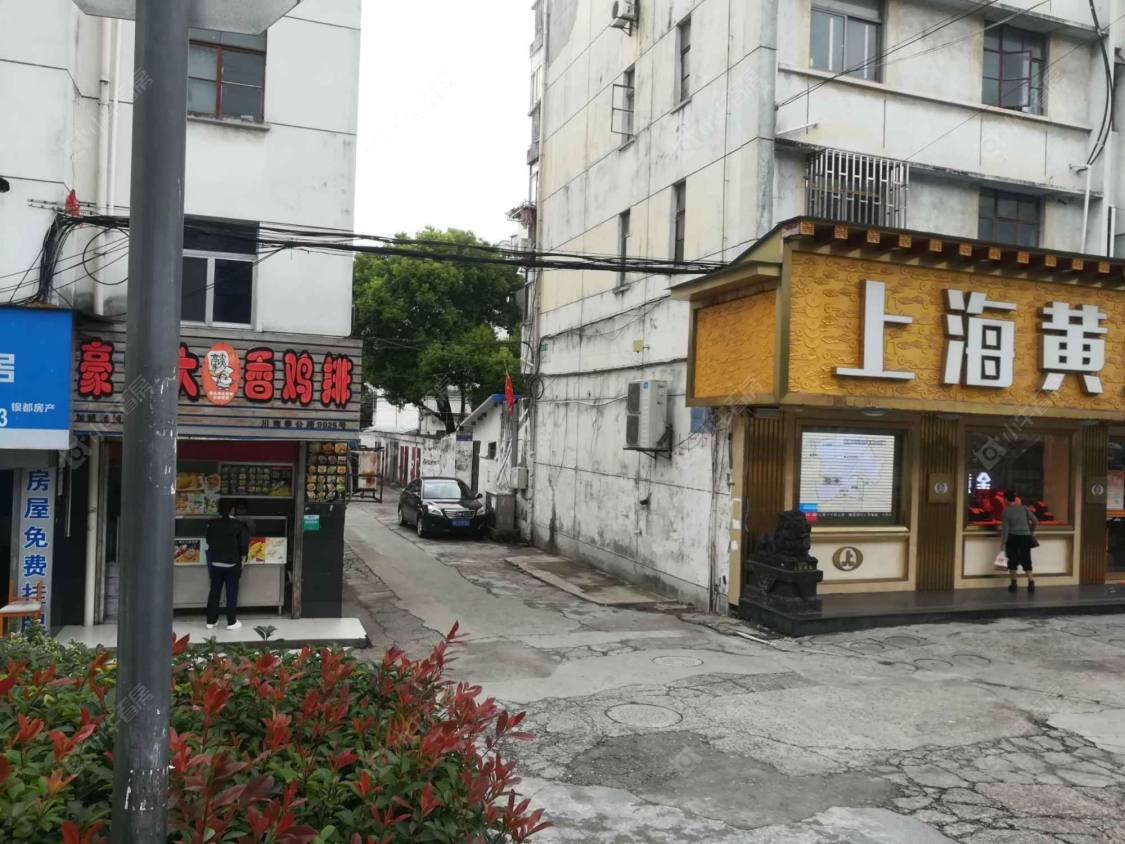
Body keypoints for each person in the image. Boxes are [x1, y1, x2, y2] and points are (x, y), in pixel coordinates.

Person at [204, 498, 250, 629]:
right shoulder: (239, 525)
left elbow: (208, 540)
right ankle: (231, 621)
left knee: (214, 592)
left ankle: (211, 621)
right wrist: (243, 559)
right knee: (231, 592)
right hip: (232, 564)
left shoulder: (212, 523)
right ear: (232, 510)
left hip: (215, 563)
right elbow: (243, 545)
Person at [1000, 490, 1038, 593]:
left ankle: (1014, 584)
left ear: (1006, 499)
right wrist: (1031, 531)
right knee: (1026, 559)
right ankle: (1031, 582)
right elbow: (1035, 521)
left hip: (1012, 537)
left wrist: (1003, 543)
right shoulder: (1024, 508)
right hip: (1025, 537)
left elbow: (1006, 529)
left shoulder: (1006, 511)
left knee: (1012, 560)